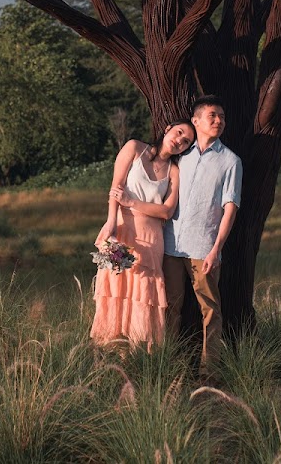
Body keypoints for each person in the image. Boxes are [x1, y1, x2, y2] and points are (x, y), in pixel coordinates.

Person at [91, 120, 196, 349]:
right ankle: (112, 348)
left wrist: (132, 202)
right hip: (121, 228)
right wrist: (111, 222)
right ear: (168, 129)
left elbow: (166, 211)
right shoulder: (134, 148)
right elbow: (115, 188)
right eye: (179, 132)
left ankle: (138, 351)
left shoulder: (174, 171)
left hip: (151, 236)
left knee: (144, 290)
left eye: (186, 141)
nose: (180, 140)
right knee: (117, 287)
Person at [163, 95, 242, 375]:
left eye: (222, 116)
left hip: (203, 249)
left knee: (210, 310)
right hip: (171, 246)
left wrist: (215, 249)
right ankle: (167, 365)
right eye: (212, 116)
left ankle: (210, 370)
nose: (219, 121)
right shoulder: (180, 157)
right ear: (196, 121)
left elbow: (230, 208)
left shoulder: (230, 161)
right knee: (170, 307)